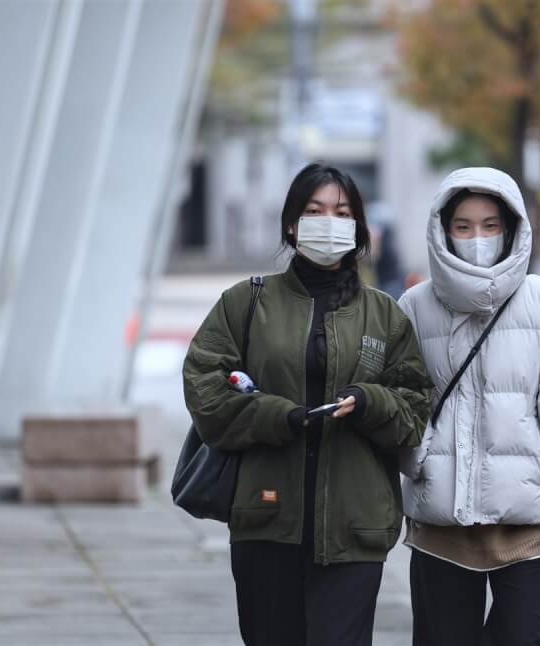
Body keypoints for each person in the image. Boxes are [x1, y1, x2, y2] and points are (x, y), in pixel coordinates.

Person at [182, 163, 433, 646]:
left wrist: (369, 401)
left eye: (341, 212)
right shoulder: (246, 303)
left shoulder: (384, 314)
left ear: (359, 228)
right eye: (314, 210)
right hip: (266, 519)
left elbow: (414, 410)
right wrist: (276, 416)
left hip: (355, 528)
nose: (328, 221)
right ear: (292, 223)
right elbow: (204, 389)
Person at [398, 167, 540, 646]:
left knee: (523, 632)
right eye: (464, 226)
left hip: (526, 524)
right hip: (440, 526)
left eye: (491, 225)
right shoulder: (414, 306)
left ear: (511, 229)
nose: (477, 238)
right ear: (443, 231)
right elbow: (403, 408)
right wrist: (417, 460)